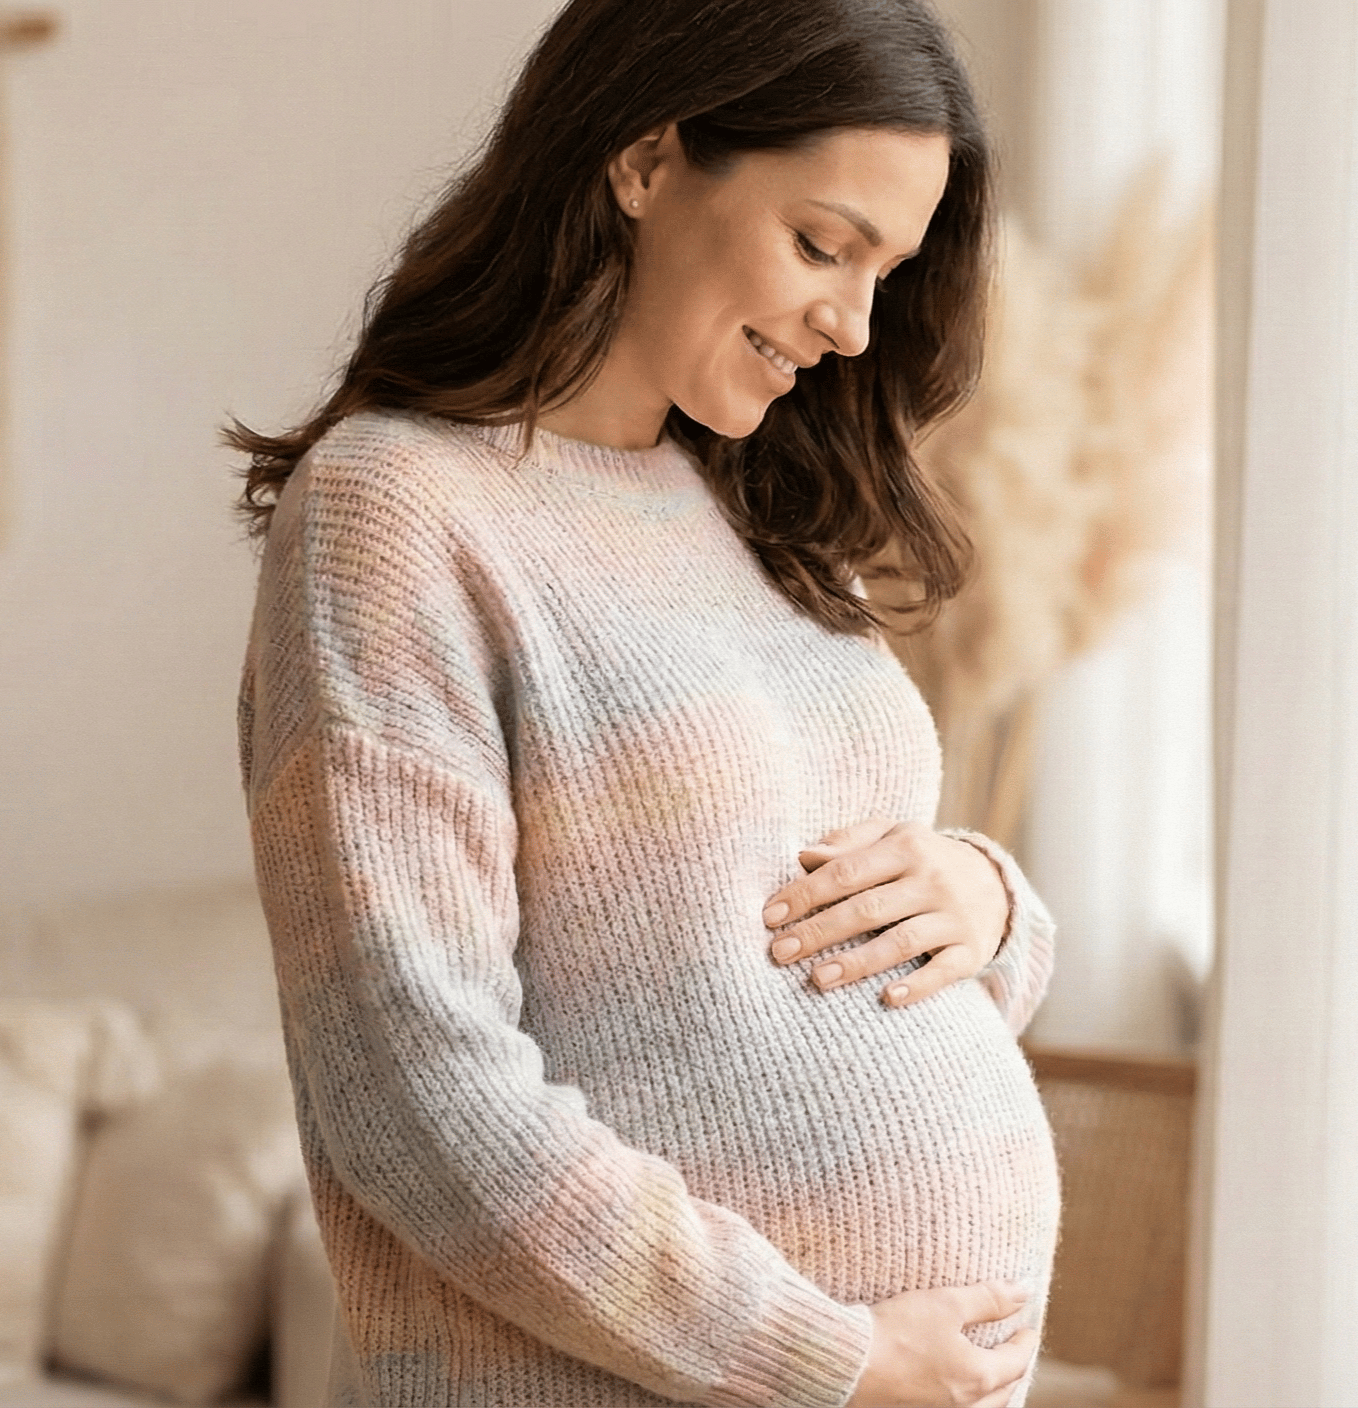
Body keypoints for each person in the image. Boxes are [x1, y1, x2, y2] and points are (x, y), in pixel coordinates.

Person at [233, 1, 1060, 1404]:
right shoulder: (400, 513)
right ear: (644, 159)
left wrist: (989, 905)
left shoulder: (764, 509)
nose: (853, 326)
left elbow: (811, 942)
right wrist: (829, 1359)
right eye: (822, 245)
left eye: (887, 274)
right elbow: (415, 1097)